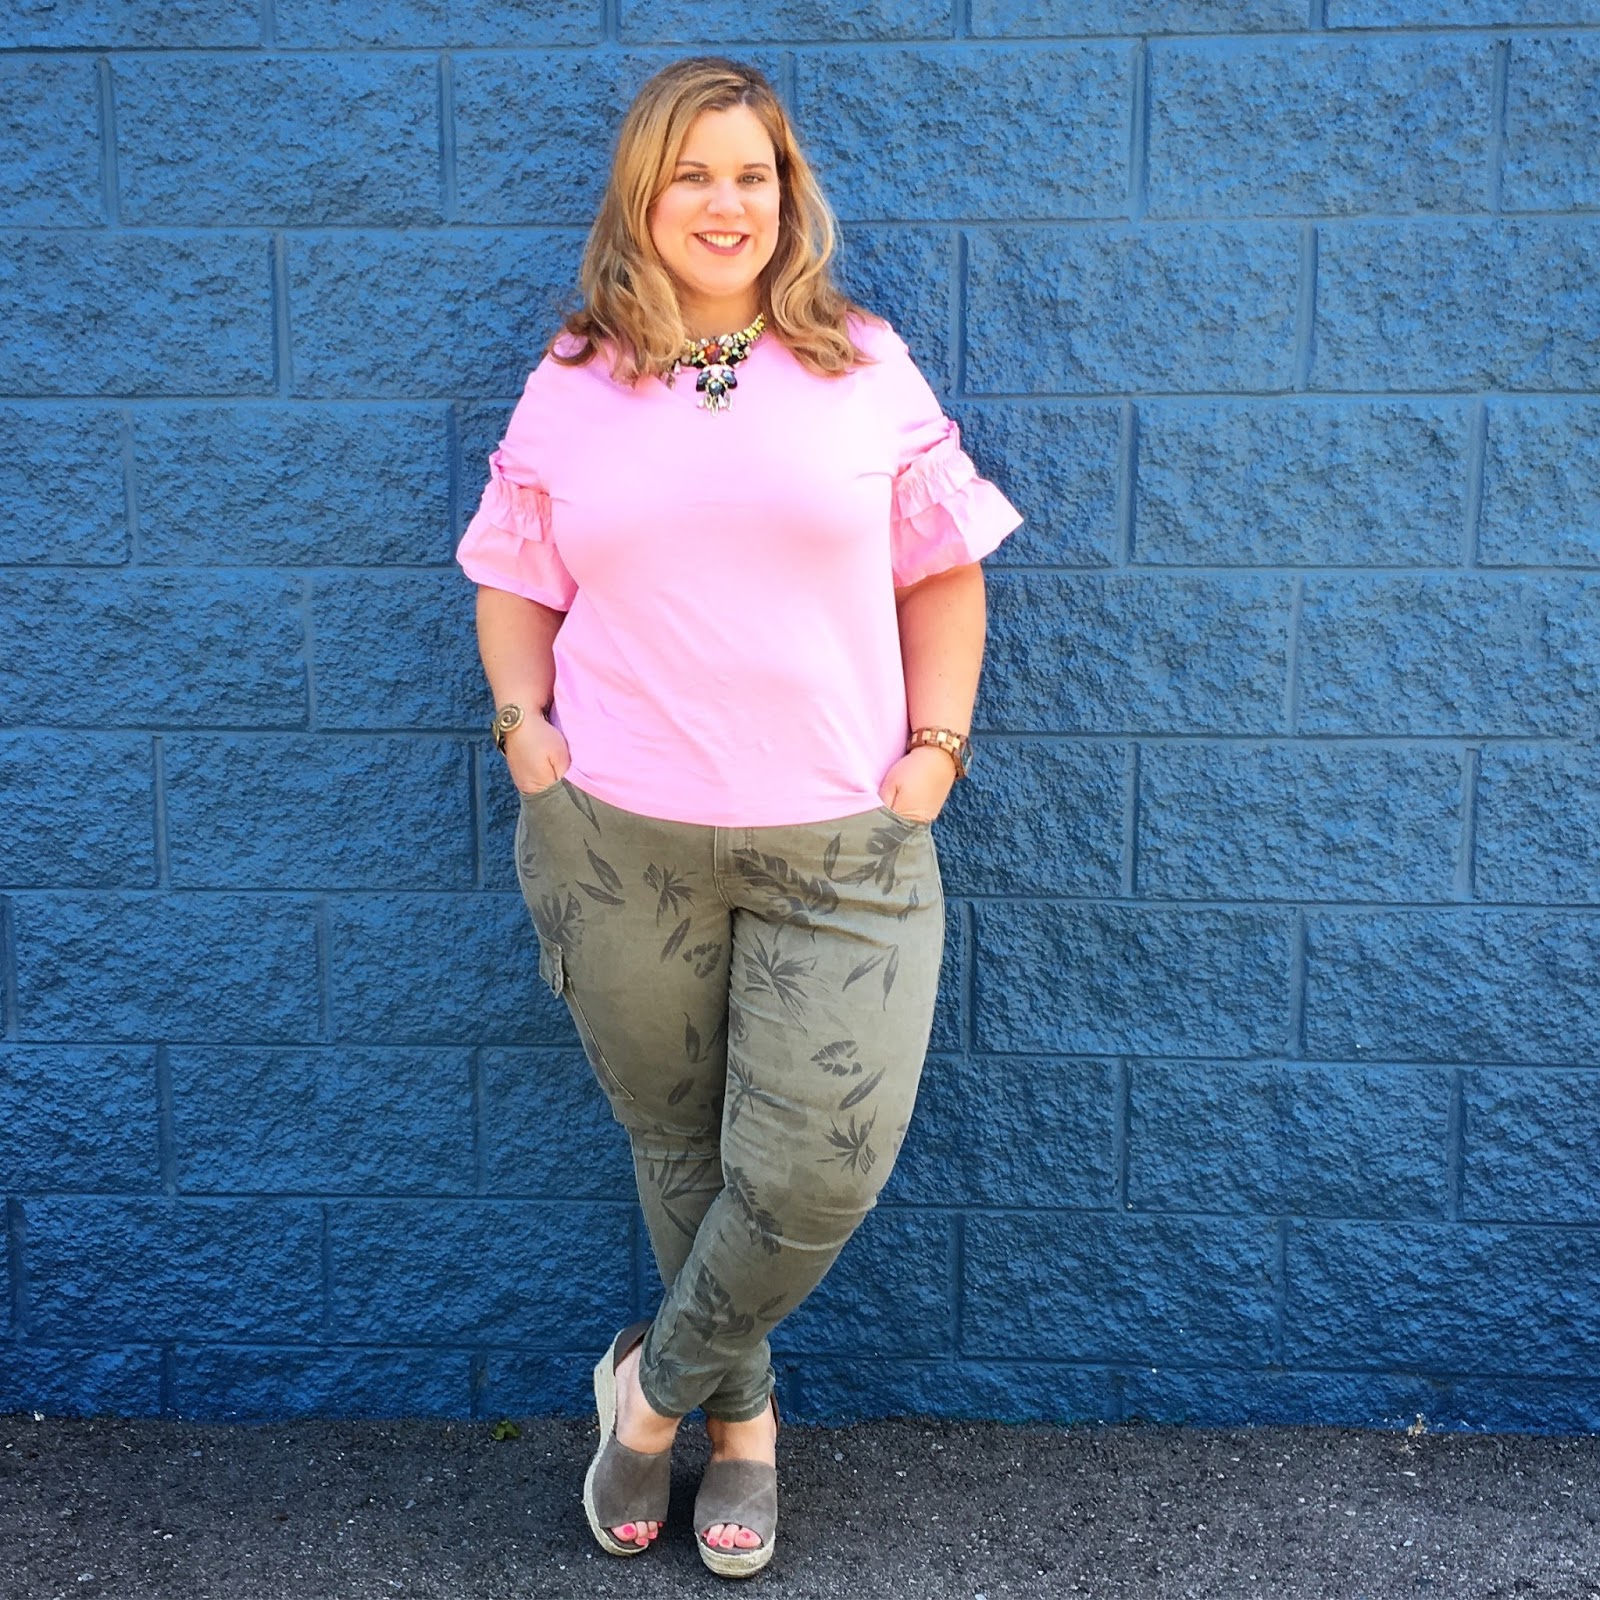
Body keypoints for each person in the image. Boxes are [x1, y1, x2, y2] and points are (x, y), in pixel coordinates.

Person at [455, 54, 1022, 1579]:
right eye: (692, 174)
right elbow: (513, 575)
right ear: (641, 197)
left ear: (788, 196)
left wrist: (935, 753)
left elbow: (944, 571)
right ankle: (745, 1425)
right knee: (680, 1151)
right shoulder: (575, 379)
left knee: (818, 1167)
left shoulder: (863, 363)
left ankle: (647, 1395)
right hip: (616, 839)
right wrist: (524, 731)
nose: (726, 204)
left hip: (844, 846)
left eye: (752, 175)